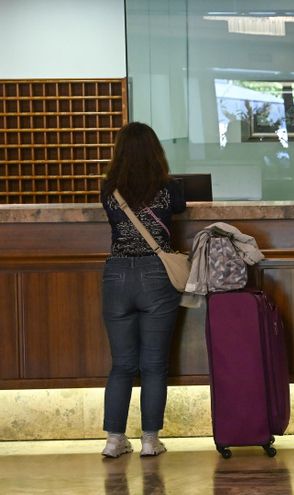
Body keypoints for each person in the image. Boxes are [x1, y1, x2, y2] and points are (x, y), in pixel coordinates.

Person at [99, 122, 186, 458]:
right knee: (153, 365)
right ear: (155, 151)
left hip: (117, 275)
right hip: (155, 275)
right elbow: (178, 209)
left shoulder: (108, 190)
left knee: (122, 364)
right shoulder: (168, 188)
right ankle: (150, 440)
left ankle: (113, 440)